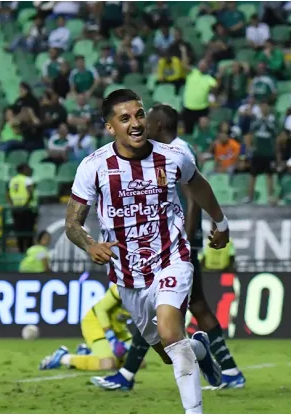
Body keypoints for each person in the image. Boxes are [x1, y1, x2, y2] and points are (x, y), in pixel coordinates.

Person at [63, 89, 231, 414]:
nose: (136, 123)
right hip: (128, 277)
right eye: (124, 118)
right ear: (110, 127)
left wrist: (221, 224)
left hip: (172, 259)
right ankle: (200, 350)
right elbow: (72, 221)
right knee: (170, 351)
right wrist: (89, 243)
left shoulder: (172, 156)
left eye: (139, 115)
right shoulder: (93, 167)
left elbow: (198, 185)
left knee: (170, 331)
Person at [91, 104, 246, 392]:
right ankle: (227, 368)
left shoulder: (176, 151)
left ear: (159, 125)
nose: (141, 123)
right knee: (183, 307)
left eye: (146, 118)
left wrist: (184, 240)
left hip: (174, 245)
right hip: (168, 243)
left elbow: (192, 195)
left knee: (172, 309)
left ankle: (128, 374)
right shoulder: (155, 152)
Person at [39, 284, 132, 372]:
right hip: (97, 322)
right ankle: (63, 358)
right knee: (108, 364)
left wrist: (126, 346)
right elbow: (100, 310)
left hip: (118, 327)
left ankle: (89, 355)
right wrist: (111, 338)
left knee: (138, 363)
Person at [7, 163, 36, 253]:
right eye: (28, 168)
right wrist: (25, 205)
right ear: (23, 170)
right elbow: (30, 193)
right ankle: (30, 250)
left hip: (16, 209)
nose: (30, 170)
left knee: (18, 231)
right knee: (28, 230)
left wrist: (11, 205)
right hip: (26, 209)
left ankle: (20, 250)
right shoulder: (27, 180)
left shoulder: (12, 180)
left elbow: (7, 194)